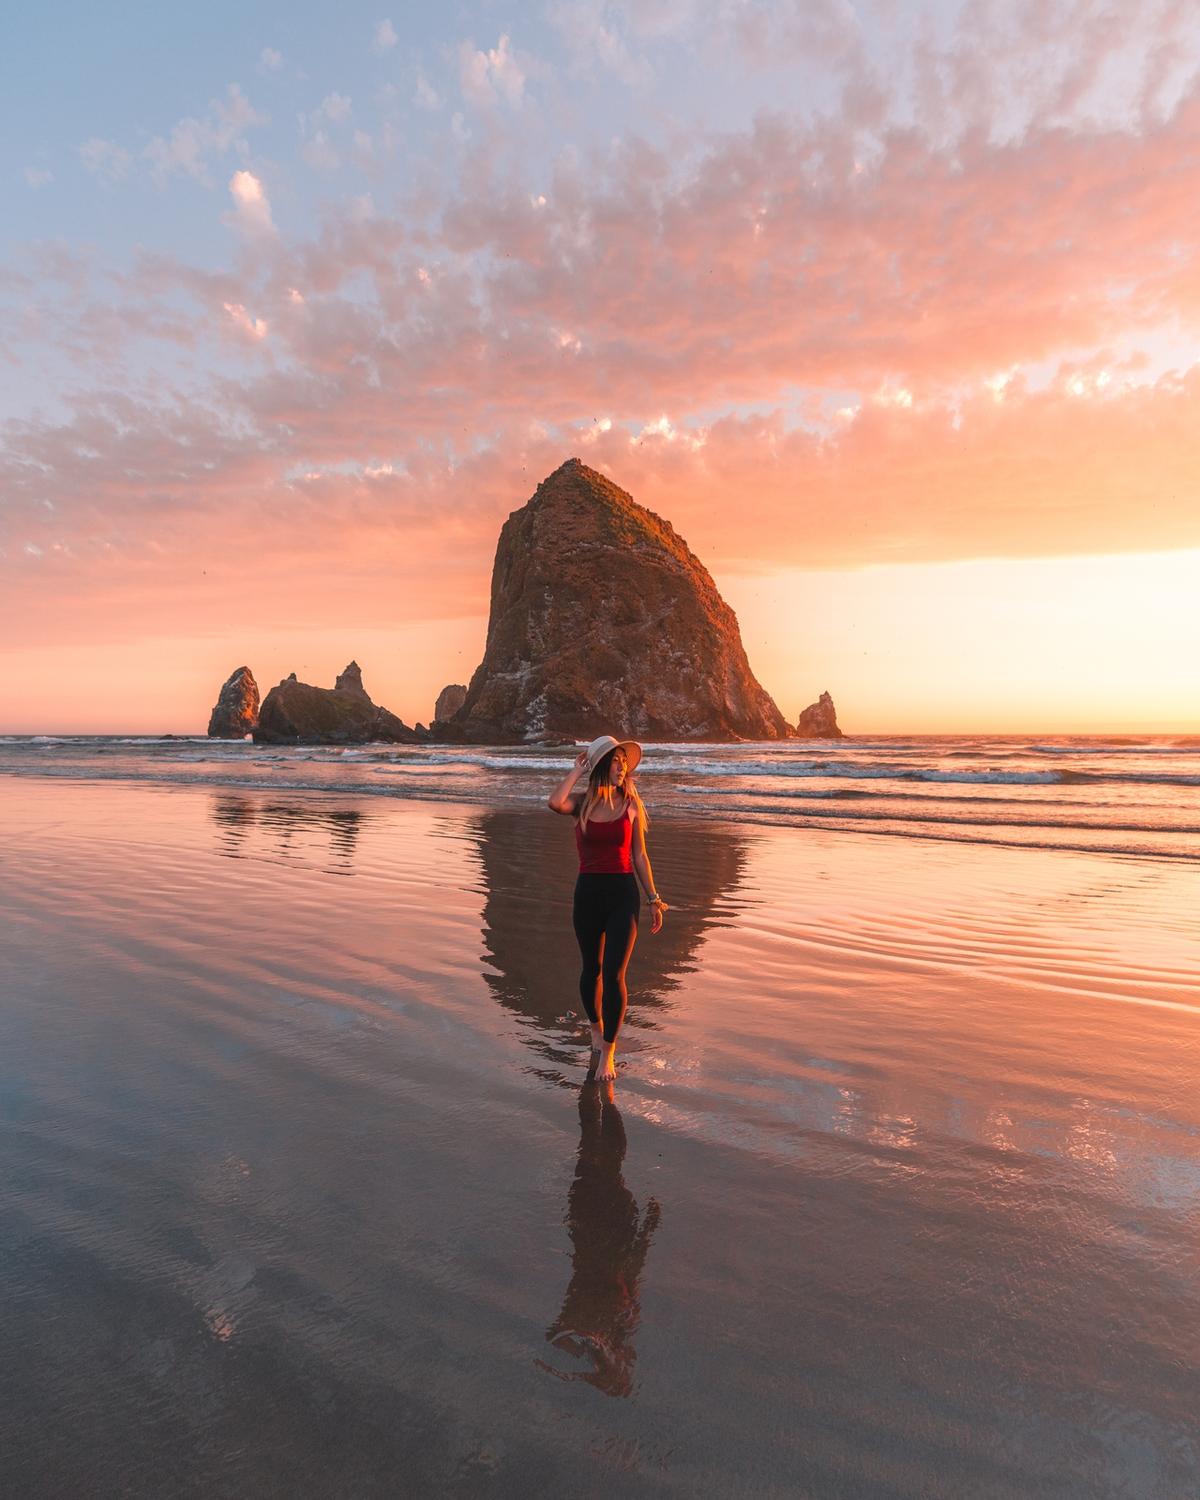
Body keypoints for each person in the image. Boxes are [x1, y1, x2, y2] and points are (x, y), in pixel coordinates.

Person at [547, 735, 669, 1080]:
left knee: (615, 975)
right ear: (602, 766)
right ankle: (595, 1029)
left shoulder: (630, 805)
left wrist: (653, 898)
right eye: (616, 762)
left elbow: (640, 856)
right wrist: (577, 769)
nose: (623, 768)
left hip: (623, 895)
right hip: (587, 893)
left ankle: (608, 1052)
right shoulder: (582, 805)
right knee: (592, 970)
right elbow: (555, 802)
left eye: (625, 763)